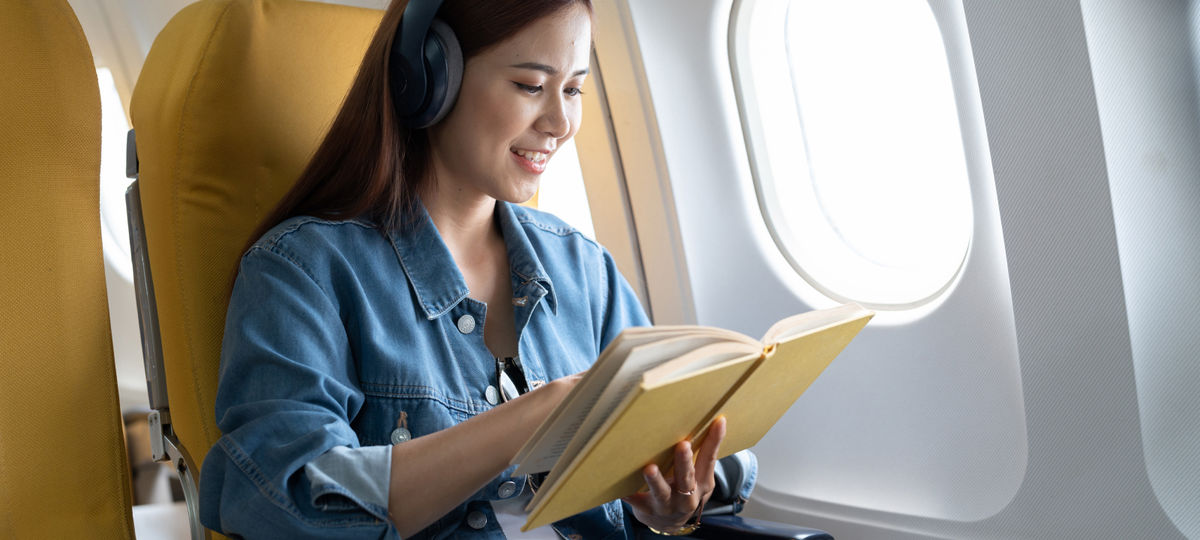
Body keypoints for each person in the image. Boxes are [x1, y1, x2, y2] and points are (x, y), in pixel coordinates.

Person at [198, 0, 734, 537]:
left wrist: (666, 510)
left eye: (572, 89)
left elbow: (656, 461)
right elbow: (278, 498)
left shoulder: (584, 269)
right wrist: (532, 418)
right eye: (530, 85)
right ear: (429, 78)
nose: (560, 123)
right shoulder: (304, 271)